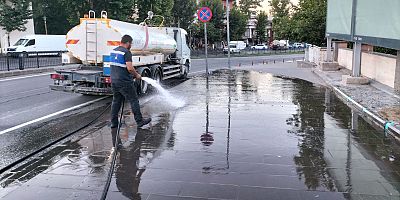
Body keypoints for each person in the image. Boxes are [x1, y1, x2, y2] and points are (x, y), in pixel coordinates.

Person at [110, 35, 151, 147]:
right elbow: (129, 67)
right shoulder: (126, 53)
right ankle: (140, 121)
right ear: (128, 42)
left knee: (116, 101)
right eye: (131, 44)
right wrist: (136, 75)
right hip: (124, 82)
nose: (131, 46)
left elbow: (117, 67)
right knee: (134, 100)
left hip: (114, 81)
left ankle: (114, 123)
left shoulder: (114, 51)